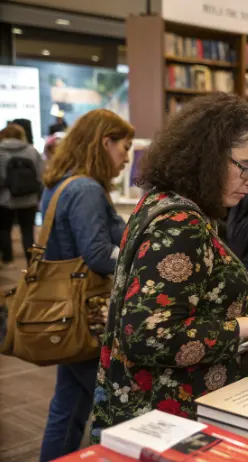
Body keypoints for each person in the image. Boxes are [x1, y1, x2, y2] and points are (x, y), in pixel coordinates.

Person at [91, 93, 248, 436]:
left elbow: (190, 315)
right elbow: (151, 336)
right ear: (207, 157)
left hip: (172, 408)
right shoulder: (180, 222)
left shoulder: (169, 203)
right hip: (171, 418)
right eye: (246, 166)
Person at [38, 109, 134, 462]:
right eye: (123, 147)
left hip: (65, 309)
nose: (126, 156)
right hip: (87, 311)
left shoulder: (62, 182)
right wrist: (141, 262)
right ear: (104, 142)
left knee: (68, 404)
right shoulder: (86, 188)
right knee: (115, 406)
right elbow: (95, 254)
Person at [0, 123, 43, 265]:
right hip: (29, 198)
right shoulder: (32, 150)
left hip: (5, 199)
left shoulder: (0, 151)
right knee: (28, 231)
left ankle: (7, 258)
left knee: (4, 229)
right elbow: (40, 175)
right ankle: (30, 261)